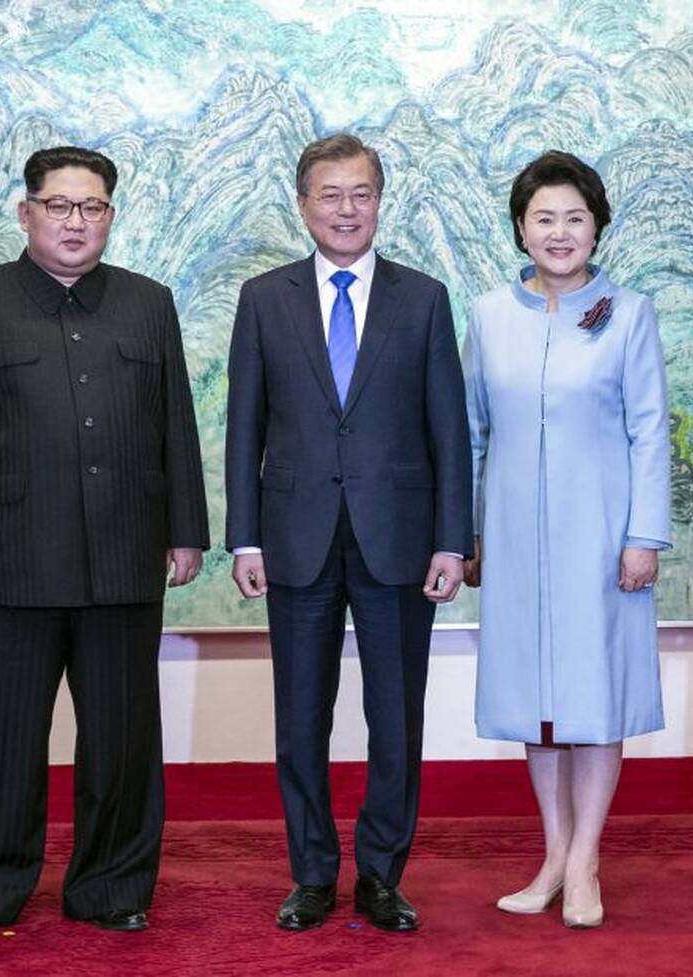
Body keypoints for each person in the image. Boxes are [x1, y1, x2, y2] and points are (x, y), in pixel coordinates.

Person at [0, 146, 210, 938]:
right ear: (27, 212)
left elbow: (175, 423)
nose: (76, 222)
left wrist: (187, 530)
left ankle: (111, 885)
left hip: (124, 556)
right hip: (11, 557)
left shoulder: (149, 304)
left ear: (109, 215)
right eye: (59, 205)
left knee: (122, 736)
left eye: (92, 207)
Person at [225, 133, 473, 933]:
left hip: (398, 537)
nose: (346, 209)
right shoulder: (264, 298)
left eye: (361, 193)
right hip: (293, 537)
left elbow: (448, 429)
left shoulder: (423, 298)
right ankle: (311, 872)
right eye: (330, 194)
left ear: (379, 201)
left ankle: (380, 874)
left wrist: (452, 540)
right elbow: (244, 426)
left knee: (395, 716)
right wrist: (244, 538)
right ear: (303, 206)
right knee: (301, 717)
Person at [461, 150, 671, 929]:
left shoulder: (631, 314)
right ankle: (553, 854)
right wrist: (467, 533)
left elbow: (651, 432)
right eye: (543, 218)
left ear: (597, 227)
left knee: (594, 696)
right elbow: (471, 433)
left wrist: (643, 535)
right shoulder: (489, 316)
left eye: (574, 218)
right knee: (537, 704)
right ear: (521, 228)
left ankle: (586, 861)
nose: (559, 232)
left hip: (602, 540)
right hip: (515, 539)